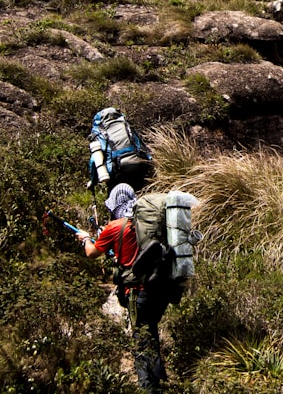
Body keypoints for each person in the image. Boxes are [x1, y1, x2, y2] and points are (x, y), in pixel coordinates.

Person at [77, 184, 183, 393]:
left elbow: (92, 253)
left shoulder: (115, 227)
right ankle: (164, 385)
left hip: (137, 293)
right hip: (160, 289)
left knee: (142, 345)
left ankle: (151, 389)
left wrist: (85, 239)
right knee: (150, 336)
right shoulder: (147, 223)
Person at [87, 108, 153, 193]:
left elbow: (94, 161)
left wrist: (93, 181)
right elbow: (141, 145)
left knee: (116, 199)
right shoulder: (126, 125)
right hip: (138, 163)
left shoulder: (98, 131)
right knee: (141, 194)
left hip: (118, 169)